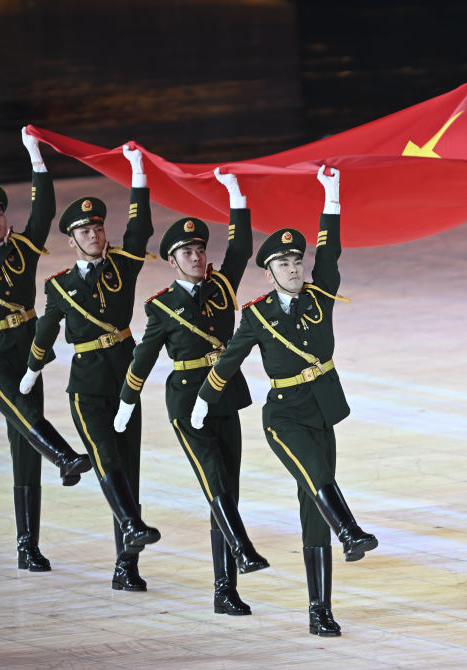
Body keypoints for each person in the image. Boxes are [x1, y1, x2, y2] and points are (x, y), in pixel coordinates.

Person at [192, 165, 376, 637]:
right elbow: (229, 360)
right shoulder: (257, 315)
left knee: (313, 505)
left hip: (322, 411)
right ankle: (351, 531)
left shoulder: (320, 297)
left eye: (297, 261)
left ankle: (319, 611)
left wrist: (332, 195)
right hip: (284, 416)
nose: (294, 269)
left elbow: (330, 250)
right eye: (284, 264)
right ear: (269, 272)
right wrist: (203, 400)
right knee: (317, 476)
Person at [114, 168, 268, 614]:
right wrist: (127, 401)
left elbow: (240, 248)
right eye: (187, 252)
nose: (197, 257)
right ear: (172, 260)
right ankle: (242, 548)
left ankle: (225, 590)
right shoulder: (161, 306)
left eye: (200, 249)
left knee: (228, 490)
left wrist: (236, 198)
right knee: (213, 478)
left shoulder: (221, 286)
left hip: (224, 395)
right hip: (185, 401)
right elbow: (143, 358)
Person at [0, 128, 91, 571]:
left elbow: (44, 210)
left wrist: (36, 159)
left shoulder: (24, 249)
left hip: (28, 355)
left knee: (25, 445)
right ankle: (65, 455)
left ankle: (28, 547)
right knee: (26, 416)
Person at [21, 144, 161, 590]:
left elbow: (140, 227)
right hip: (85, 387)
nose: (95, 234)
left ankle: (126, 567)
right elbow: (45, 332)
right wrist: (31, 370)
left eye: (98, 227)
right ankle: (132, 526)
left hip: (124, 383)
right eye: (85, 230)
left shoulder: (122, 264)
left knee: (128, 470)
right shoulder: (60, 286)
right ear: (72, 240)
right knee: (105, 458)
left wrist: (138, 172)